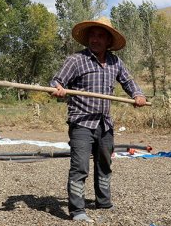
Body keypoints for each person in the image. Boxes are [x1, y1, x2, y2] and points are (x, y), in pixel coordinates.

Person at [50, 17, 147, 222]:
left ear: (108, 41)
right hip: (82, 122)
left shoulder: (115, 62)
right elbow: (57, 80)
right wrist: (57, 88)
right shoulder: (76, 60)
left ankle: (103, 201)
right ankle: (77, 210)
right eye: (92, 35)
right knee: (80, 166)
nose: (95, 39)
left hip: (105, 123)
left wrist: (137, 95)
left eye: (100, 35)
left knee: (105, 163)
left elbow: (129, 82)